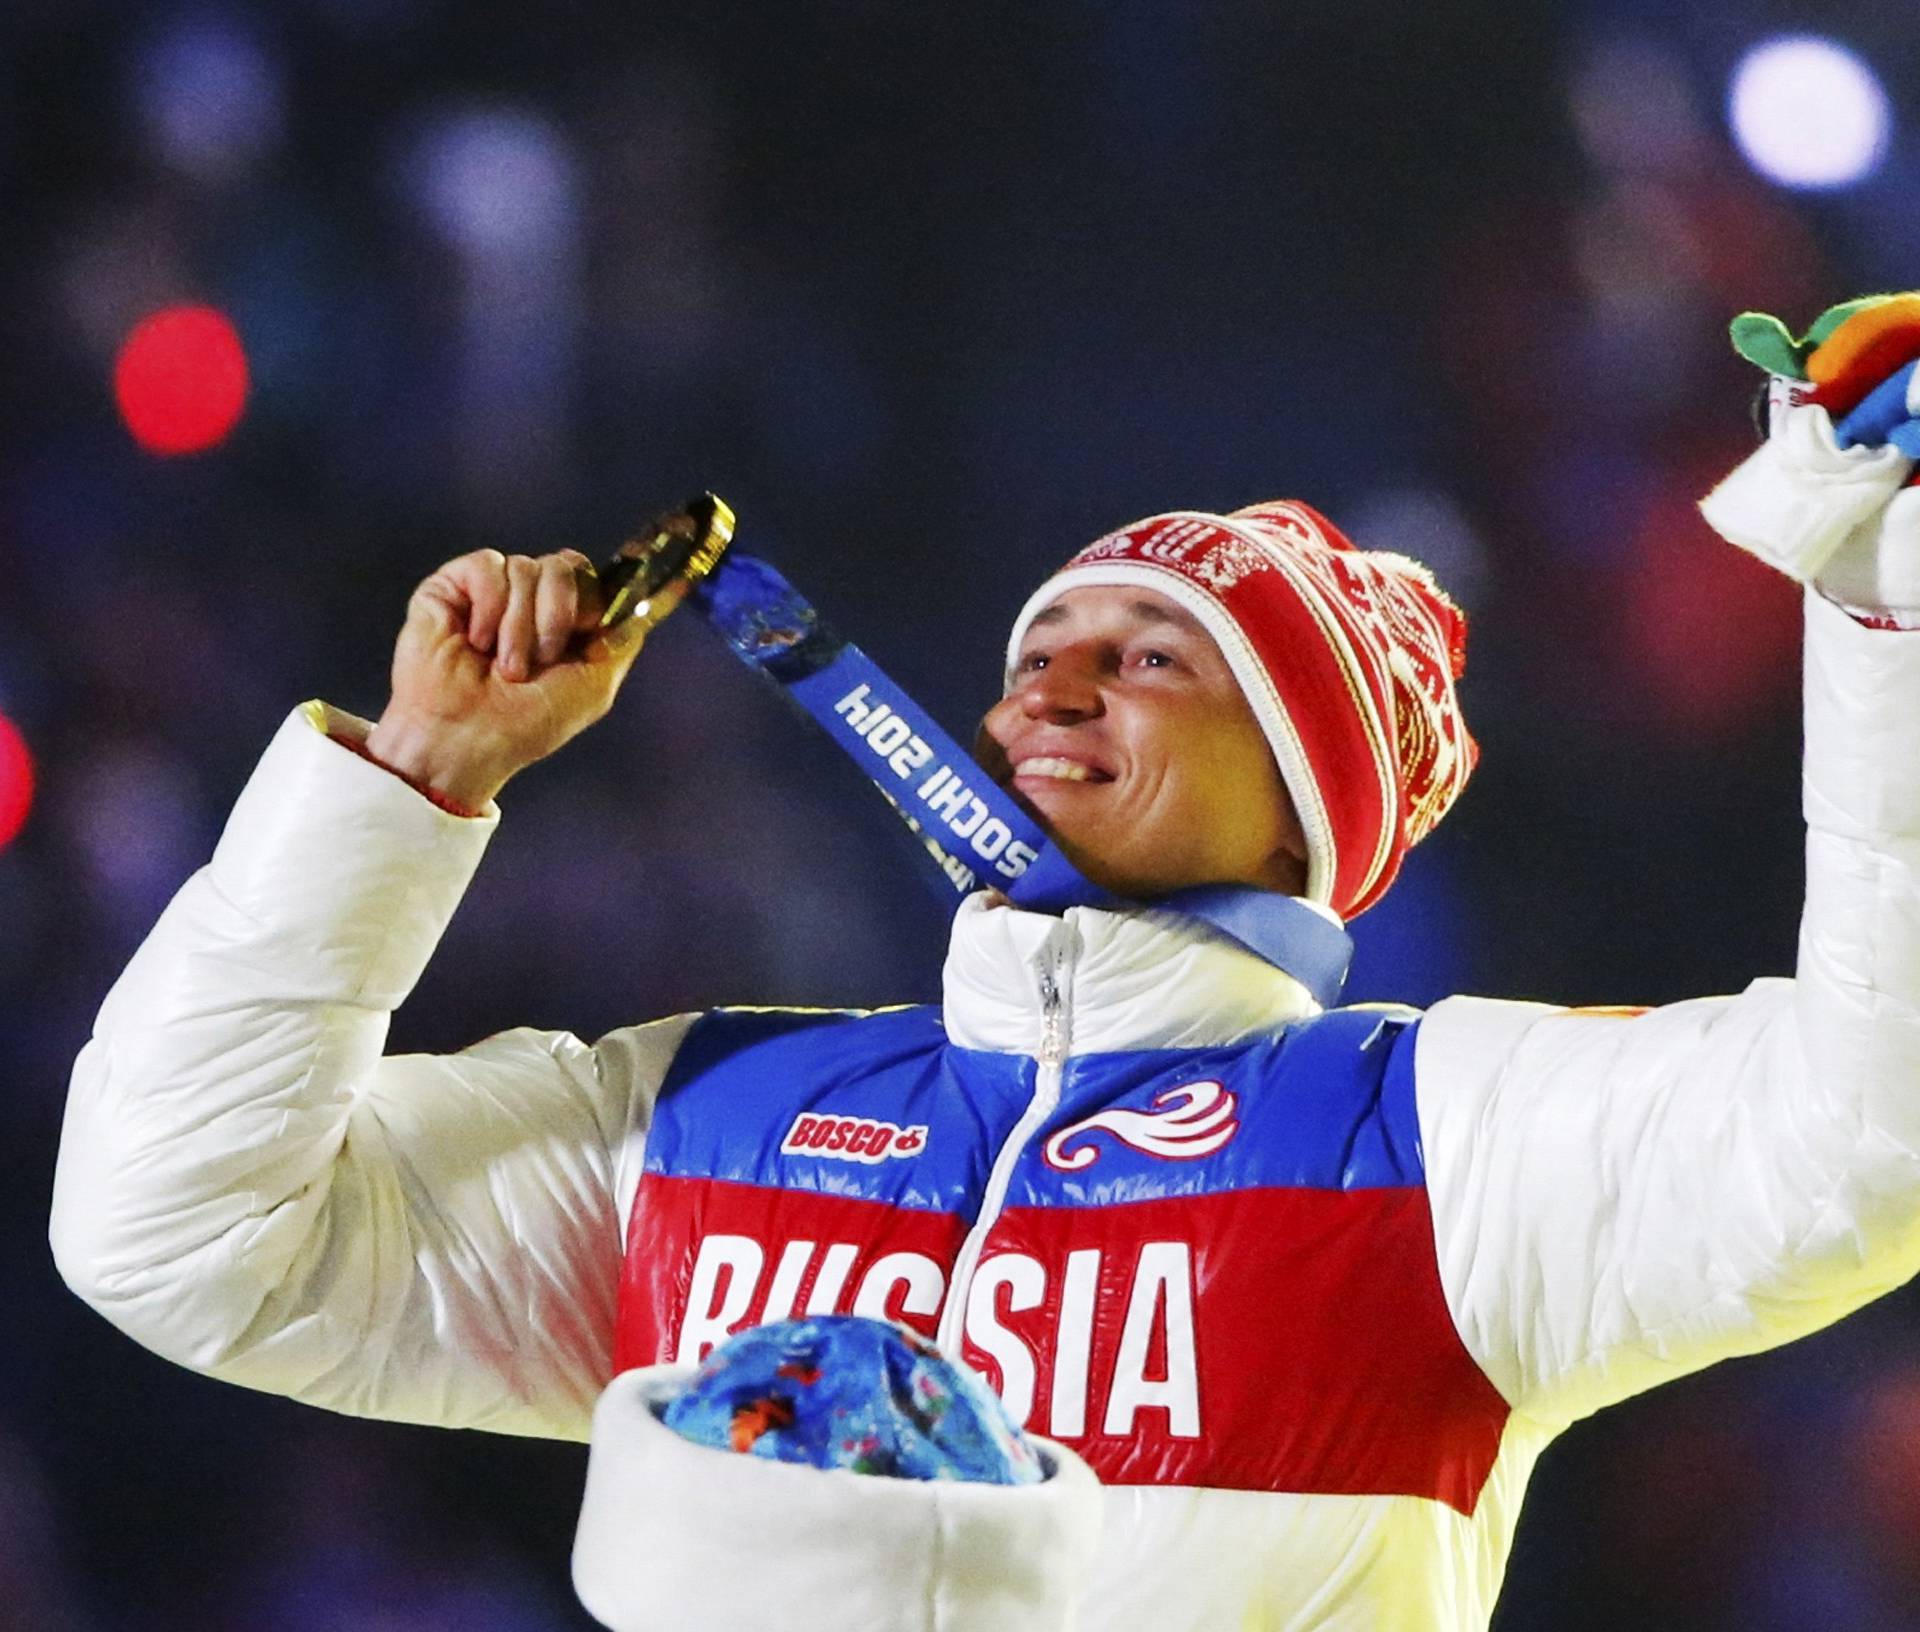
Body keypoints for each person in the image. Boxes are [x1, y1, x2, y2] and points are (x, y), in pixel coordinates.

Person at [49, 308, 1920, 1631]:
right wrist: (407, 783)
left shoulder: (1446, 1145)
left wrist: (1885, 599)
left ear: (1302, 814)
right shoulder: (709, 1109)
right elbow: (179, 1236)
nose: (1051, 682)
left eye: (1158, 657)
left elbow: (1870, 1134)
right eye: (1041, 645)